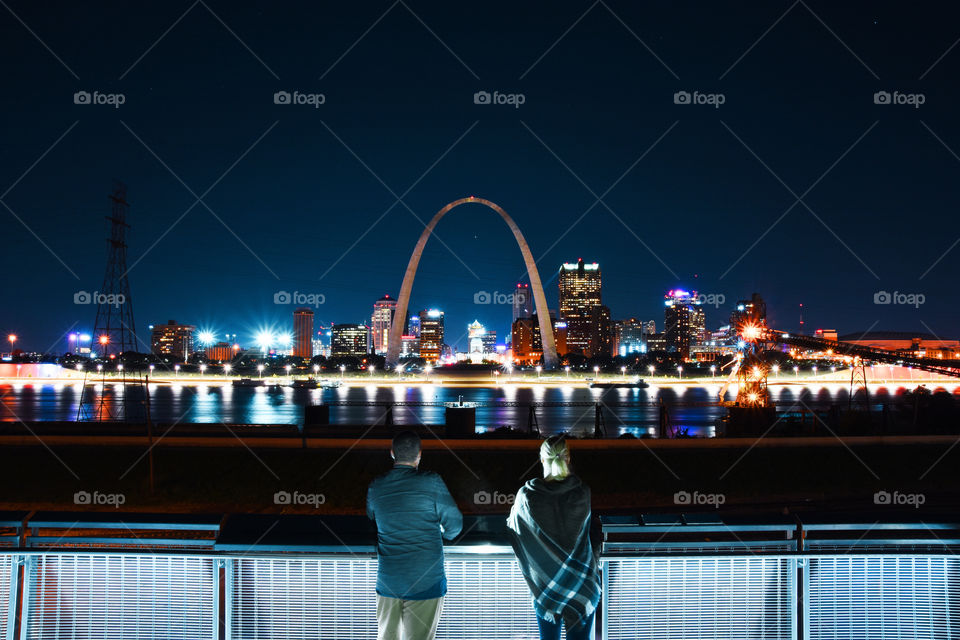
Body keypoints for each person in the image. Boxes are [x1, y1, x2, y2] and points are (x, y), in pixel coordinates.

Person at [367, 430, 463, 640]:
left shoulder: (376, 485)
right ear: (420, 454)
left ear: (392, 453)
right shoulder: (432, 482)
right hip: (426, 581)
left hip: (389, 581)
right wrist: (440, 532)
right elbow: (455, 526)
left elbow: (372, 517)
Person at [507, 435, 601, 640]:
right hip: (582, 585)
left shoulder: (527, 495)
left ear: (542, 460)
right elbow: (591, 535)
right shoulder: (582, 493)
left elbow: (514, 529)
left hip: (546, 588)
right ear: (568, 458)